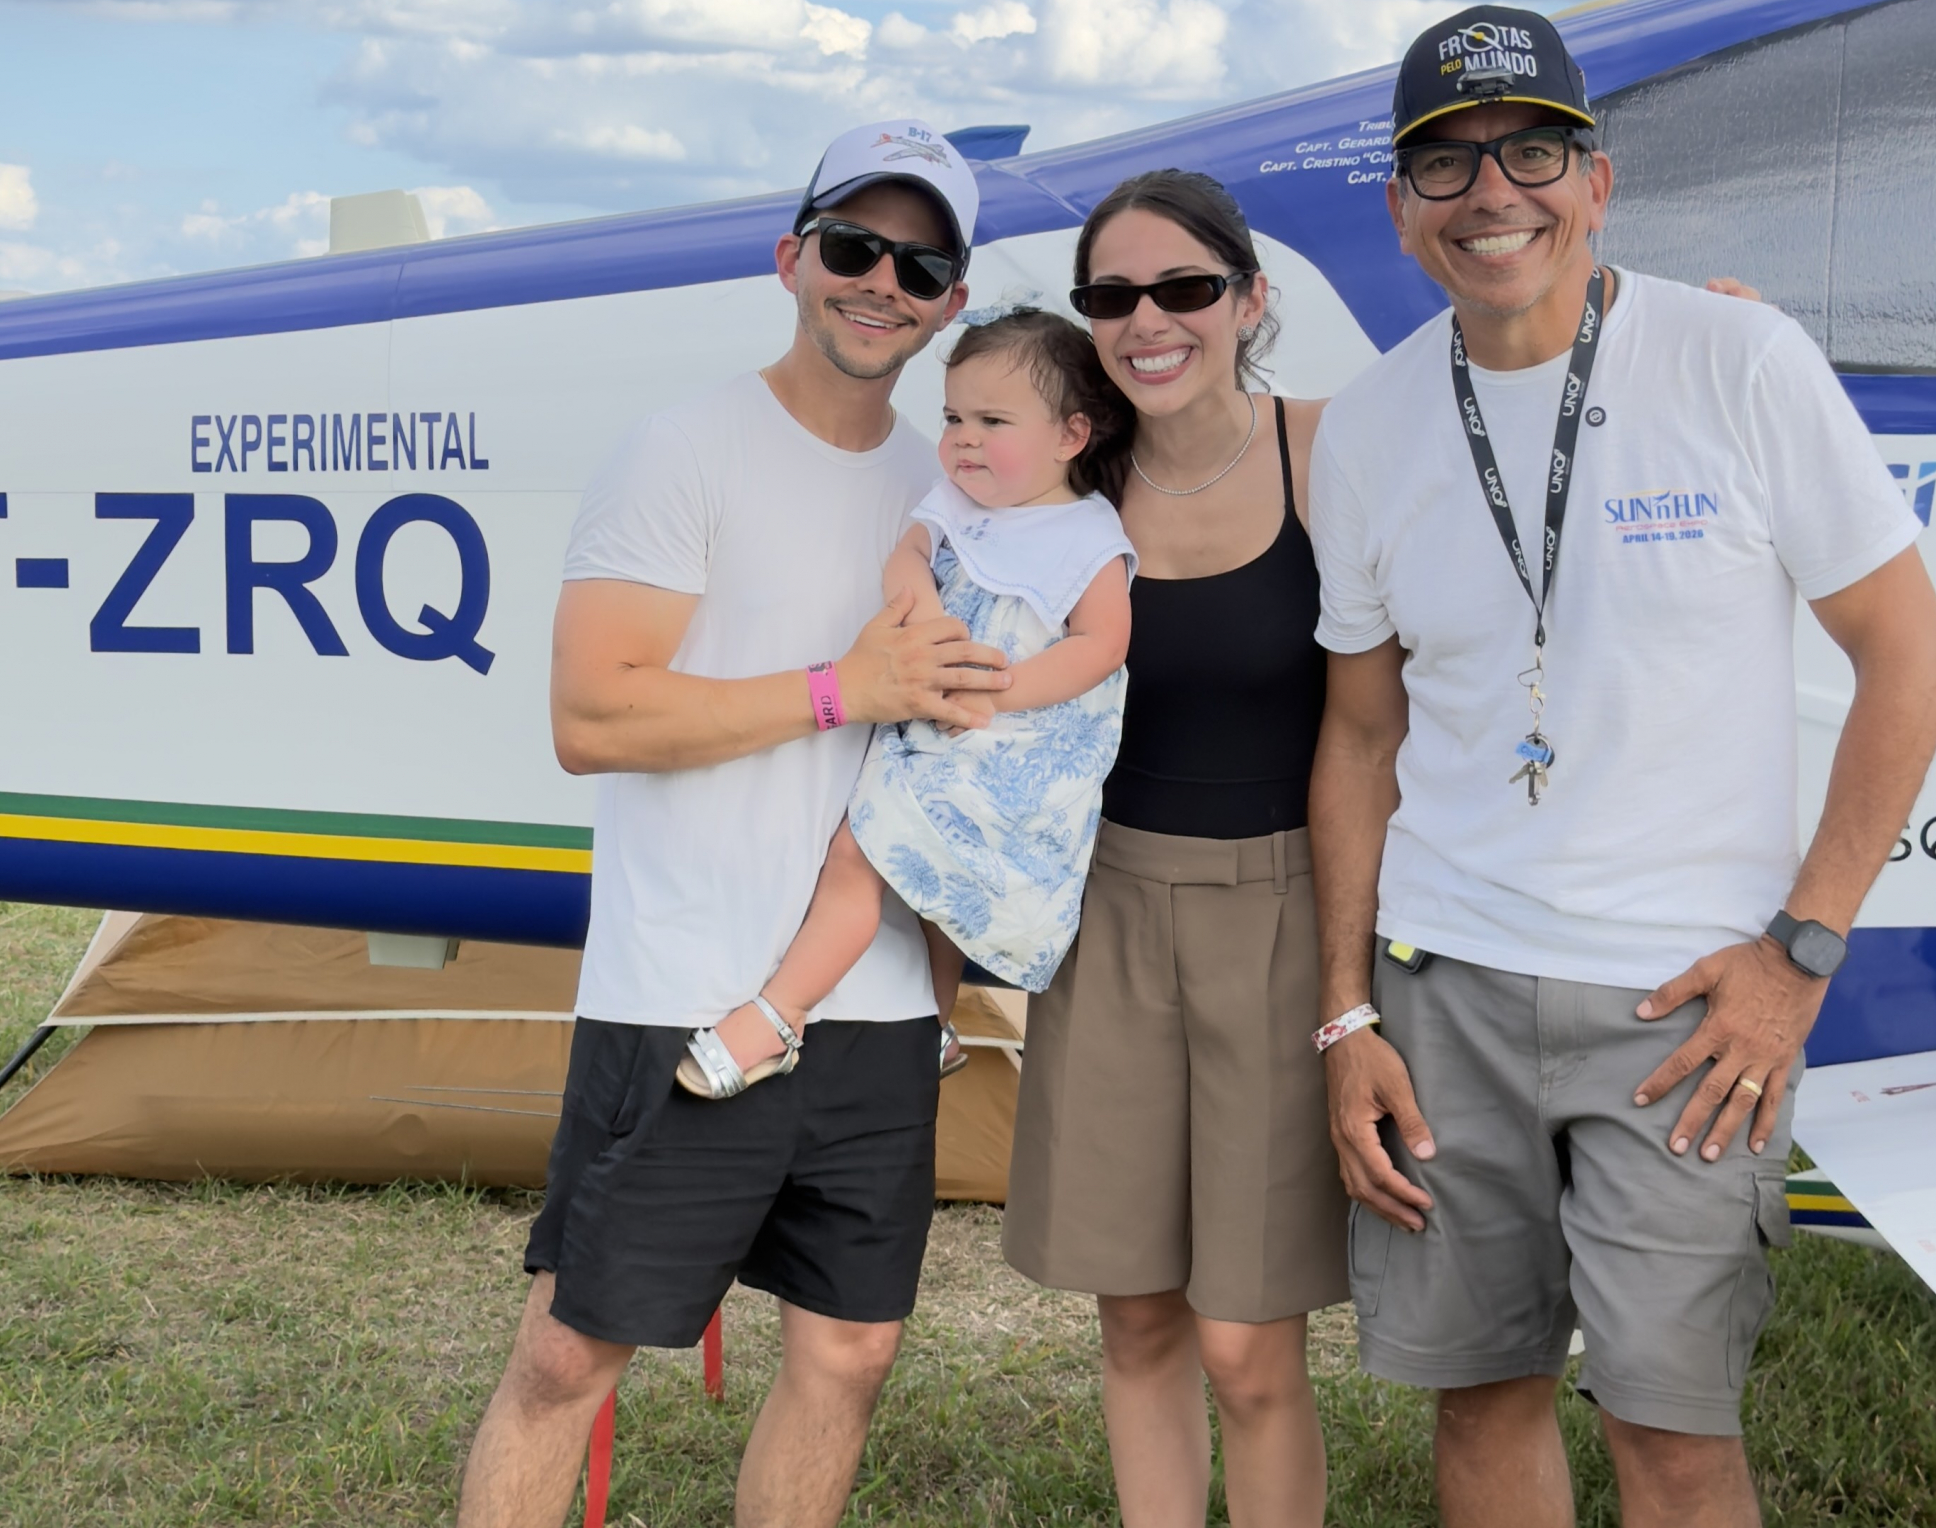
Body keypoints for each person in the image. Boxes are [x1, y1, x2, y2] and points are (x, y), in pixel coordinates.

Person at [1308, 7, 1936, 1527]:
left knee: (1670, 1431)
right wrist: (1345, 1014)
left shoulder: (1739, 359)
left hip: (1687, 1006)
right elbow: (1359, 735)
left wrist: (1798, 955)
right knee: (1481, 1401)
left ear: (1597, 181)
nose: (1492, 194)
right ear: (1400, 210)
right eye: (1447, 163)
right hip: (1444, 985)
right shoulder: (1369, 425)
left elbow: (1911, 660)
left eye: (1531, 152)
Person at [455, 120, 1013, 1528]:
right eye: (854, 247)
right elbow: (593, 716)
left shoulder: (952, 495)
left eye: (919, 264)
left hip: (876, 1011)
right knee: (570, 1356)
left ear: (952, 299)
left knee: (849, 1357)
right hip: (684, 996)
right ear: (791, 258)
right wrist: (842, 688)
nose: (881, 281)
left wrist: (944, 989)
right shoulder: (681, 451)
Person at [1004, 169, 1343, 1528]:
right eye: (1111, 297)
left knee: (1247, 1348)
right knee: (1137, 1317)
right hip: (1109, 912)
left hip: (1287, 914)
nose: (1146, 321)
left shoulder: (1326, 449)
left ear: (1250, 301)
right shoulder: (1065, 482)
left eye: (1184, 288)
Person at [676, 304, 1138, 1099]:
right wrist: (922, 607)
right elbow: (907, 559)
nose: (964, 439)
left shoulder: (1088, 535)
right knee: (868, 854)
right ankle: (828, 1017)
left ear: (1070, 436)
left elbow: (1103, 644)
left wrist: (1001, 689)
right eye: (955, 417)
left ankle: (806, 1016)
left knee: (921, 883)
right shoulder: (955, 503)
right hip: (932, 715)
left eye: (993, 421)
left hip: (1008, 735)